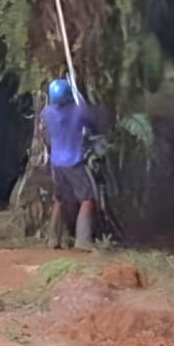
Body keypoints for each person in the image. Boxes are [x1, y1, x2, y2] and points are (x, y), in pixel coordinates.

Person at [40, 78, 106, 251]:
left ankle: (52, 238)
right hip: (74, 162)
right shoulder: (79, 112)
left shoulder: (47, 112)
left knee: (59, 199)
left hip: (56, 163)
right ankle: (83, 240)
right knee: (87, 198)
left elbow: (46, 134)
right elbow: (95, 124)